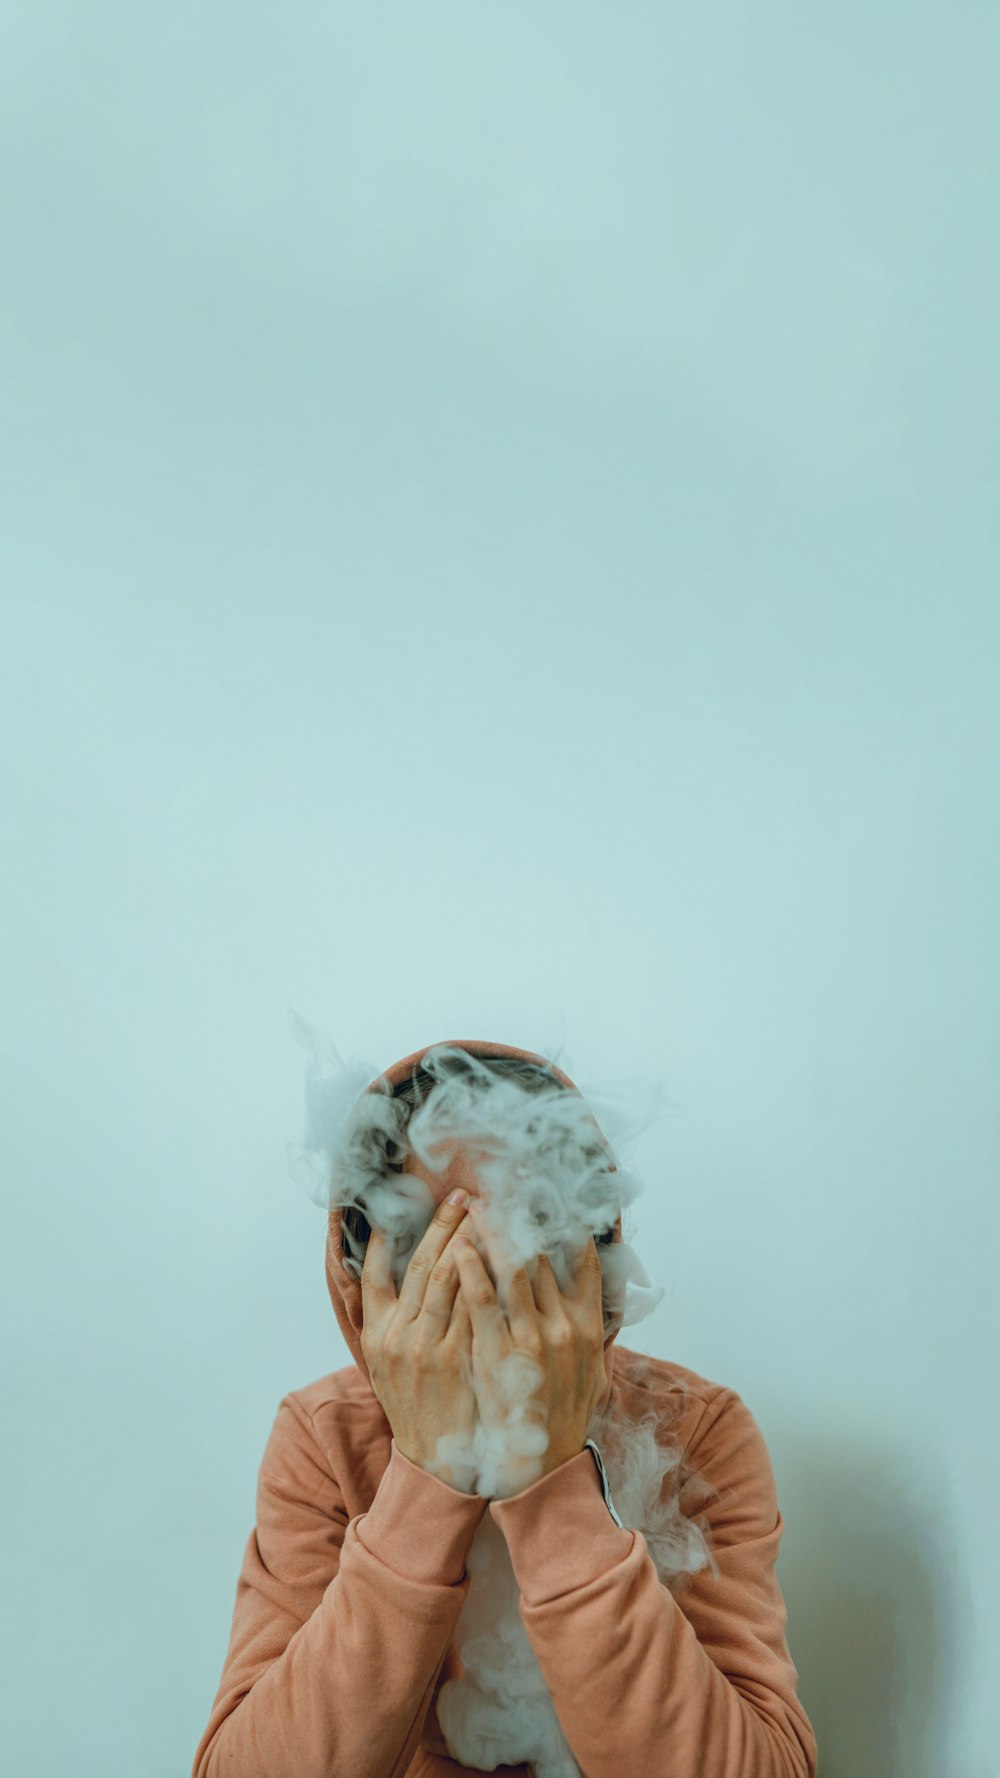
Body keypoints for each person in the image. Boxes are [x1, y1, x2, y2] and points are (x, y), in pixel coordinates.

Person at [191, 1038, 818, 1778]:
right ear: (368, 1274)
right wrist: (427, 1476)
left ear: (593, 1254)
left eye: (525, 1236)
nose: (480, 1286)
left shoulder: (697, 1431)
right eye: (432, 1241)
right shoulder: (324, 1435)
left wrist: (549, 1477)